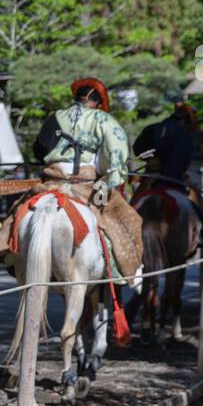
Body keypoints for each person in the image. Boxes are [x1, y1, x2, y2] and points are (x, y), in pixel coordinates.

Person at [31, 76, 142, 279]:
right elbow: (116, 156)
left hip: (52, 182)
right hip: (87, 185)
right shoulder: (103, 120)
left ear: (77, 97)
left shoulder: (55, 116)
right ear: (97, 102)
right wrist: (111, 180)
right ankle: (122, 271)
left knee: (19, 212)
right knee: (123, 219)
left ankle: (8, 254)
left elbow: (38, 151)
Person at [132, 101, 203, 246]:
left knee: (133, 205)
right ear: (184, 120)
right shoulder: (184, 135)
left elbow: (138, 148)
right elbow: (183, 160)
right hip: (174, 178)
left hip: (151, 177)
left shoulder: (152, 129)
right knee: (196, 200)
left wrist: (152, 160)